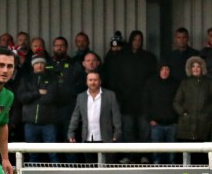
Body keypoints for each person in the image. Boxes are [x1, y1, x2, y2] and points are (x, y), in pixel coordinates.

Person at [106, 30, 157, 164]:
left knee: (144, 130)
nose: (137, 42)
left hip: (143, 102)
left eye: (140, 40)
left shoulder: (148, 57)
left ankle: (145, 156)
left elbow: (152, 80)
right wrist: (121, 95)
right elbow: (115, 78)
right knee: (127, 130)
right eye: (135, 40)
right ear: (130, 41)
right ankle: (130, 155)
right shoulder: (121, 57)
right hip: (126, 102)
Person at [67, 70, 122, 164]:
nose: (93, 82)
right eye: (90, 80)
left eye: (95, 80)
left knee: (108, 167)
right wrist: (71, 132)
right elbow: (75, 116)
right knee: (90, 168)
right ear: (86, 82)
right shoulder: (81, 97)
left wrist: (117, 133)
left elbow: (116, 115)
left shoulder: (110, 95)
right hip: (87, 137)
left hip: (106, 138)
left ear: (100, 81)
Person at [173, 56, 212, 164]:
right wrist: (183, 113)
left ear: (202, 68)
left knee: (202, 159)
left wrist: (207, 114)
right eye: (193, 66)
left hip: (204, 126)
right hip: (186, 126)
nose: (196, 68)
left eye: (198, 66)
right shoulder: (185, 83)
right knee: (184, 156)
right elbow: (176, 102)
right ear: (190, 68)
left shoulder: (209, 83)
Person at [18, 54, 60, 163]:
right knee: (32, 154)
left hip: (49, 122)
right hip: (30, 123)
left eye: (41, 63)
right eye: (36, 63)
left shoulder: (52, 78)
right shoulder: (26, 79)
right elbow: (22, 98)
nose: (39, 65)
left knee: (53, 153)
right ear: (33, 65)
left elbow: (52, 97)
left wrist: (32, 98)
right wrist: (38, 93)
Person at [143, 63, 180, 165]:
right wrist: (150, 119)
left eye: (167, 69)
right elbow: (146, 102)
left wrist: (177, 120)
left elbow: (180, 102)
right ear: (159, 70)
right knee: (157, 154)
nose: (164, 71)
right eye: (162, 69)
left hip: (172, 124)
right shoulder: (151, 83)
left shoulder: (175, 83)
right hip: (156, 124)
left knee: (172, 154)